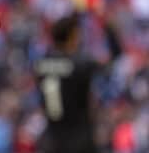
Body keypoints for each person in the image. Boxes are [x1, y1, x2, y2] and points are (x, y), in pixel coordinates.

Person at [34, 14, 122, 153]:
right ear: (71, 37)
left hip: (51, 139)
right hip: (79, 138)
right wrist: (109, 27)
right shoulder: (80, 63)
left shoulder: (40, 65)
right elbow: (115, 59)